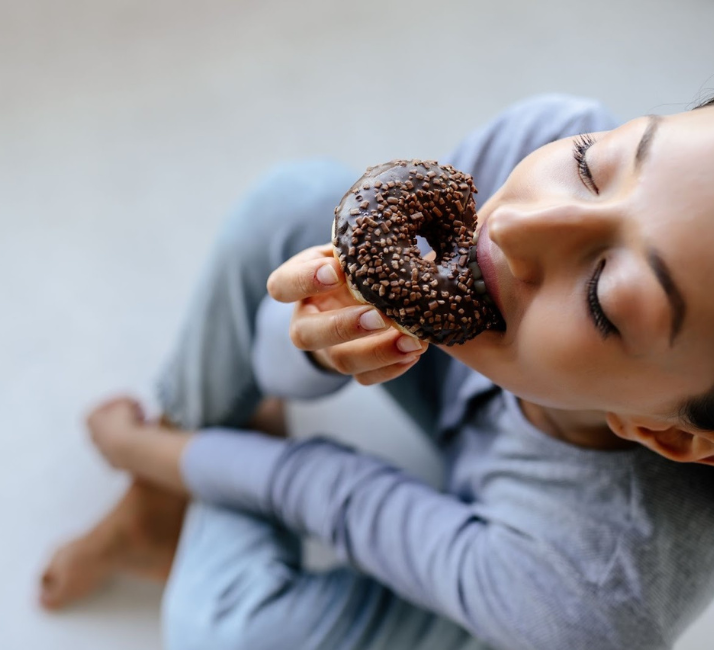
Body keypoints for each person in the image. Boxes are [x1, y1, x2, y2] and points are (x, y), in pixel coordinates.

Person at [39, 94, 714, 650]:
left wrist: (147, 449)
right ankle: (158, 510)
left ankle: (175, 484)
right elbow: (289, 340)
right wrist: (315, 350)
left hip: (509, 591)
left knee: (229, 634)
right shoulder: (544, 135)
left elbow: (345, 496)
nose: (517, 227)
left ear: (671, 436)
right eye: (594, 167)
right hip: (494, 411)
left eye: (605, 296)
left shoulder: (588, 601)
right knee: (291, 201)